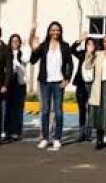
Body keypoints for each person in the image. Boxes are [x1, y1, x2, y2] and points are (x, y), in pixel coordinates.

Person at [29, 21, 73, 151]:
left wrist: (67, 79)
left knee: (58, 111)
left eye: (57, 30)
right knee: (45, 111)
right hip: (45, 82)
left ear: (60, 32)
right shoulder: (44, 45)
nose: (55, 32)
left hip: (59, 82)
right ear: (49, 31)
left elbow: (69, 63)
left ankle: (57, 138)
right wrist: (34, 48)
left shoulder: (65, 46)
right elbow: (33, 60)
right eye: (53, 30)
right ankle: (45, 138)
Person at [5, 33, 28, 142]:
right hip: (9, 83)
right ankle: (7, 131)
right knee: (8, 108)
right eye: (13, 41)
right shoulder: (6, 52)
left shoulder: (22, 53)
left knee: (18, 109)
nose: (15, 43)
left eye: (17, 41)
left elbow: (26, 60)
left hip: (20, 83)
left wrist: (26, 46)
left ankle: (17, 132)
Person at [70, 33, 94, 142]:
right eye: (88, 44)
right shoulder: (81, 54)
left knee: (91, 109)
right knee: (82, 109)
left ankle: (89, 133)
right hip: (81, 84)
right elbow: (71, 49)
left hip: (92, 85)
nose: (90, 46)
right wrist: (79, 40)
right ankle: (81, 133)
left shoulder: (97, 56)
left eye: (92, 44)